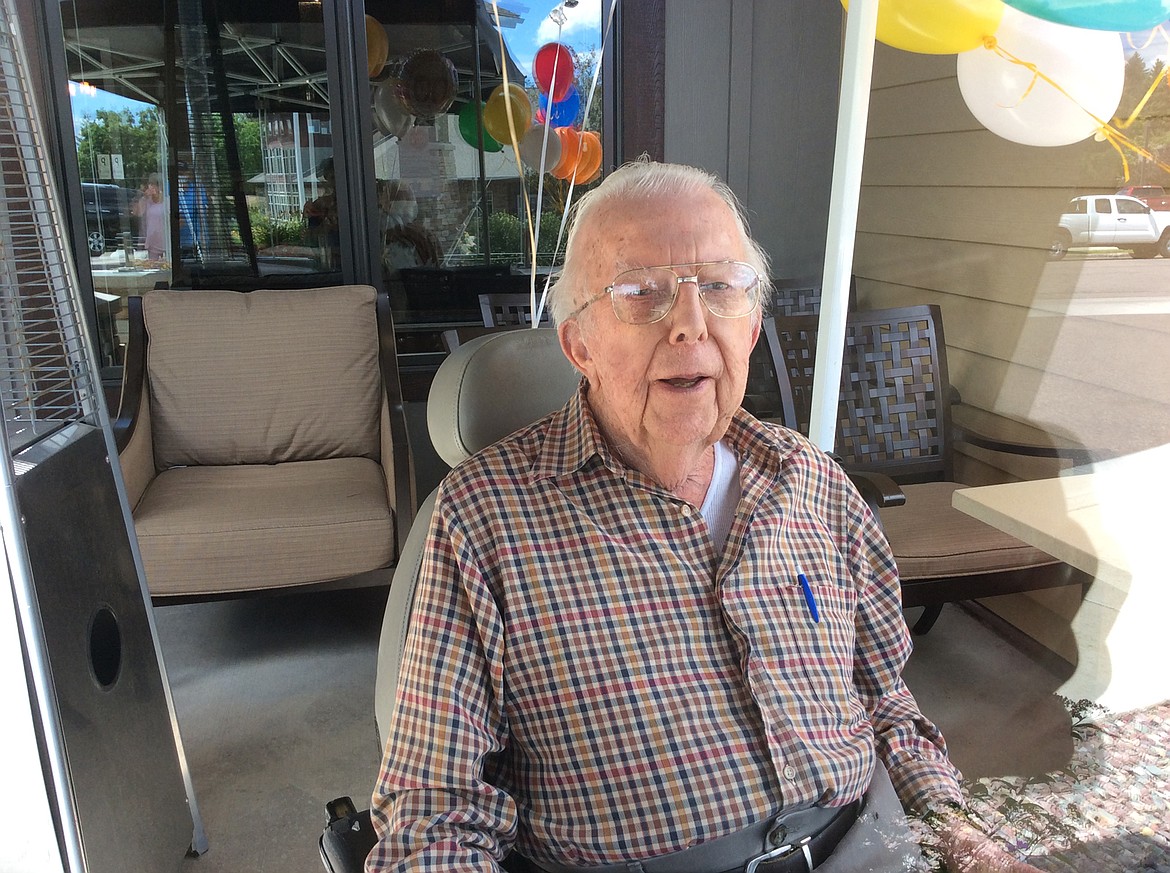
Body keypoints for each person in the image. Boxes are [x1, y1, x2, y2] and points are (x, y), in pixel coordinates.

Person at [367, 160, 1044, 873]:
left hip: (865, 845)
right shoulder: (485, 519)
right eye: (641, 293)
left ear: (750, 327)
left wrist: (962, 839)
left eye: (720, 288)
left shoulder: (812, 481)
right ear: (579, 345)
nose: (691, 324)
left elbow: (885, 703)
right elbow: (433, 813)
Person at [133, 172, 167, 261]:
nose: (151, 187)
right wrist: (143, 197)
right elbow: (137, 213)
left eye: (154, 185)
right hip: (152, 242)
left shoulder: (167, 201)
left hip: (166, 242)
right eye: (150, 184)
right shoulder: (146, 201)